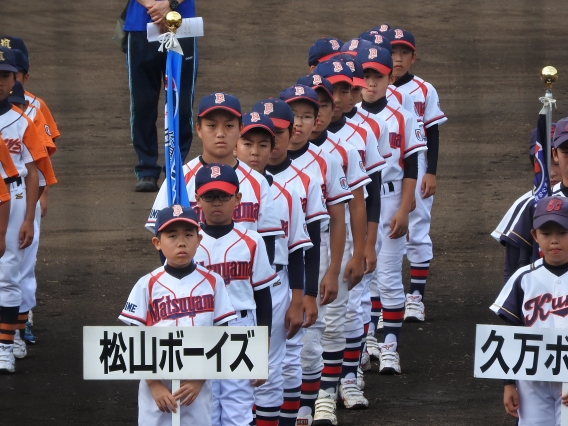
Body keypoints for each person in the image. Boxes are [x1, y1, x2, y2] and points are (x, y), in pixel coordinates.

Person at [119, 205, 237, 426]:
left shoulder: (213, 282)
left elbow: (222, 334)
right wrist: (153, 384)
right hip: (156, 383)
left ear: (199, 240)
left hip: (197, 384)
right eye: (172, 236)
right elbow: (134, 338)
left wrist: (200, 379)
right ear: (157, 243)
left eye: (188, 235)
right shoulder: (148, 284)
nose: (181, 242)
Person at [251, 98, 328, 425]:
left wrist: (305, 294)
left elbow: (306, 246)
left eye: (276, 135)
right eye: (254, 140)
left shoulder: (296, 184)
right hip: (234, 287)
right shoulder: (223, 188)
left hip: (280, 282)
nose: (263, 147)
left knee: (283, 363)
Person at [279, 84, 352, 425]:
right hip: (270, 259)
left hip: (315, 250)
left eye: (307, 115)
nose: (299, 122)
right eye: (293, 115)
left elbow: (338, 220)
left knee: (315, 330)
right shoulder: (260, 157)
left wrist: (334, 268)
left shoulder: (328, 159)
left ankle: (314, 404)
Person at [236, 111, 314, 426]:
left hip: (276, 287)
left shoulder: (288, 193)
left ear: (273, 149)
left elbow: (297, 250)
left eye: (263, 145)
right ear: (236, 146)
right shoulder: (217, 192)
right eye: (248, 143)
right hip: (230, 287)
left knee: (268, 371)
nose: (255, 152)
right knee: (231, 378)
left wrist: (299, 298)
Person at [355, 44, 426, 375]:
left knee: (388, 277)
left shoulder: (404, 116)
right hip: (359, 204)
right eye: (366, 76)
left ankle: (390, 346)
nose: (371, 83)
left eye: (378, 77)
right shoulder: (350, 119)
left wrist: (405, 210)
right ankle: (366, 339)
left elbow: (412, 165)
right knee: (363, 278)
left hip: (393, 200)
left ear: (389, 78)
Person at [146, 92, 283, 263]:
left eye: (229, 126)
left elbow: (267, 240)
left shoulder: (258, 182)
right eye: (211, 126)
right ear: (198, 129)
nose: (220, 134)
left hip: (241, 283)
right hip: (194, 285)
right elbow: (163, 237)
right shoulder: (178, 180)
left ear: (240, 129)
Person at [192, 163, 278, 426]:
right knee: (204, 409)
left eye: (224, 196)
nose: (216, 202)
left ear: (238, 199)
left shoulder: (253, 241)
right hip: (201, 329)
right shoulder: (188, 242)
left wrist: (262, 349)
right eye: (209, 196)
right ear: (197, 200)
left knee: (238, 410)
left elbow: (263, 298)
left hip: (241, 328)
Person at [385, 28, 448, 323]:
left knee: (418, 225)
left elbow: (432, 133)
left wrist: (431, 171)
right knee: (383, 228)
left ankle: (416, 296)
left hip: (418, 161)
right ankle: (385, 298)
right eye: (393, 52)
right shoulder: (374, 87)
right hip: (384, 166)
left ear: (413, 57)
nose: (398, 58)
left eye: (404, 53)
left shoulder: (425, 89)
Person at [490, 195, 568, 425]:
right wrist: (508, 383)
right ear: (534, 236)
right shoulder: (523, 277)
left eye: (563, 233)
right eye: (546, 233)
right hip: (531, 381)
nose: (554, 241)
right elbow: (511, 334)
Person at [0, 47, 47, 372]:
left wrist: (29, 216)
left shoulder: (22, 120)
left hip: (14, 201)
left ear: (14, 79)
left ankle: (6, 345)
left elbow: (34, 172)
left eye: (3, 76)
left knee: (9, 275)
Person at [123, 0, 198, 192]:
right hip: (141, 25)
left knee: (180, 103)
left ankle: (176, 168)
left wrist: (170, 4)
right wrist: (154, 7)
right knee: (142, 104)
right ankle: (146, 169)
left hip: (182, 25)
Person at [9, 80, 57, 354]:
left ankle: (16, 331)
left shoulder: (30, 118)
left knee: (21, 269)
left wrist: (38, 202)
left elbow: (39, 169)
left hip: (19, 201)